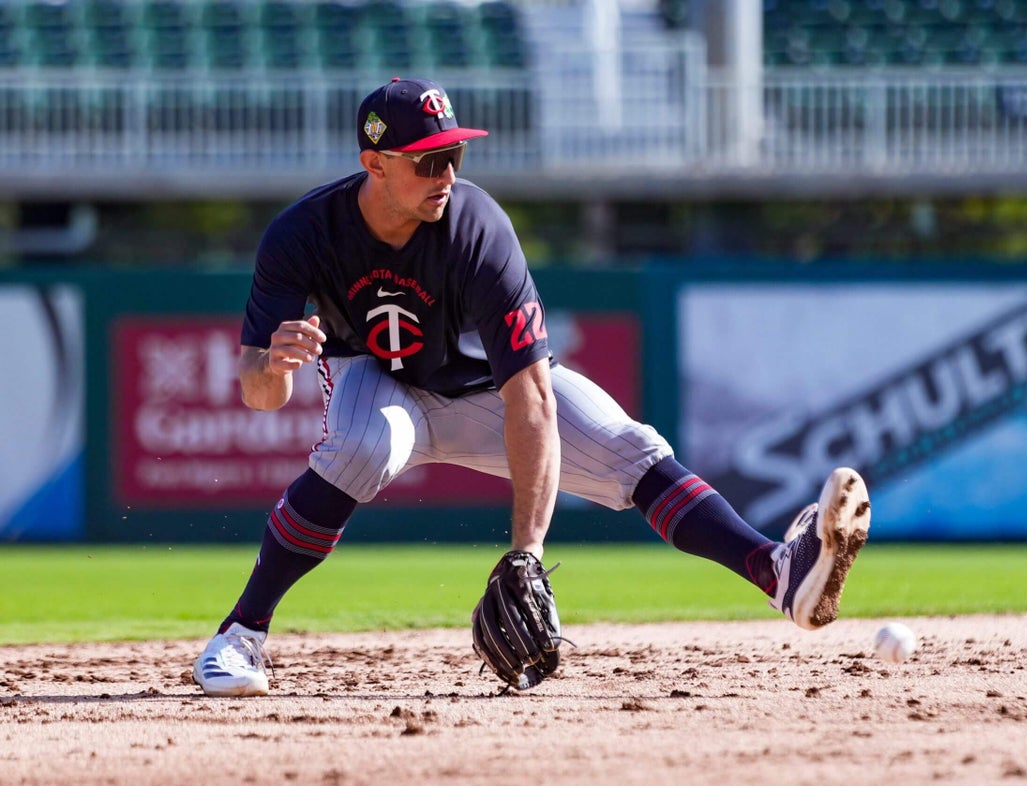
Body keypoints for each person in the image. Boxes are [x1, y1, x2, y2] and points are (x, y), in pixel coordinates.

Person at [192, 77, 872, 697]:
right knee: (360, 447)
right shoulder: (303, 234)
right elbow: (259, 392)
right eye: (428, 161)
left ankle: (776, 570)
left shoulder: (477, 228)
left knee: (632, 451)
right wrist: (273, 368)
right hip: (377, 383)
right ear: (374, 164)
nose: (447, 174)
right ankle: (239, 634)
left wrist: (528, 552)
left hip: (481, 388)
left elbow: (532, 397)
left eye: (455, 154)